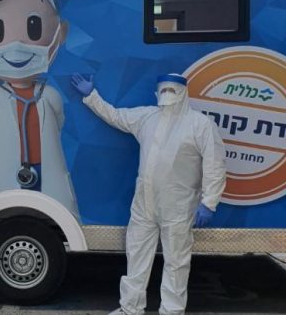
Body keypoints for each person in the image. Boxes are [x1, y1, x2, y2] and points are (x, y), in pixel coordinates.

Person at [71, 73, 226, 315]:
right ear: (156, 92)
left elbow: (215, 164)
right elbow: (116, 116)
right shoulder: (147, 117)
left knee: (176, 261)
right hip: (145, 203)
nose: (167, 94)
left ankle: (172, 311)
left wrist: (209, 202)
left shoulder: (200, 124)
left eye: (172, 89)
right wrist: (92, 96)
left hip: (178, 207)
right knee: (136, 255)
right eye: (163, 89)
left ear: (183, 92)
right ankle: (130, 308)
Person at [0, 0, 79, 217]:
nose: (17, 45)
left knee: (53, 214)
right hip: (6, 172)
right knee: (4, 214)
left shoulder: (49, 95)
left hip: (45, 169)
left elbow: (57, 123)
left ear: (60, 32)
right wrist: (1, 155)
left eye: (34, 27)